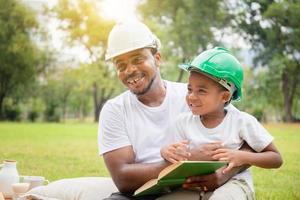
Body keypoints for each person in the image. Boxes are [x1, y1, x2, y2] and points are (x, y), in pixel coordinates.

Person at [98, 21, 252, 200]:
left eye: (138, 59)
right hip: (146, 191)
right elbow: (123, 179)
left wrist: (225, 174)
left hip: (195, 187)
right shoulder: (115, 110)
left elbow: (251, 146)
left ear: (157, 58)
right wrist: (187, 160)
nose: (130, 70)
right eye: (121, 65)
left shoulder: (193, 97)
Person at [160, 47, 283, 199]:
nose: (191, 97)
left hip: (234, 183)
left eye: (201, 91)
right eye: (189, 89)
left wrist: (243, 157)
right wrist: (165, 151)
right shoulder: (182, 122)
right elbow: (176, 155)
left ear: (225, 96)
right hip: (193, 185)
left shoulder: (241, 121)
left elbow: (275, 158)